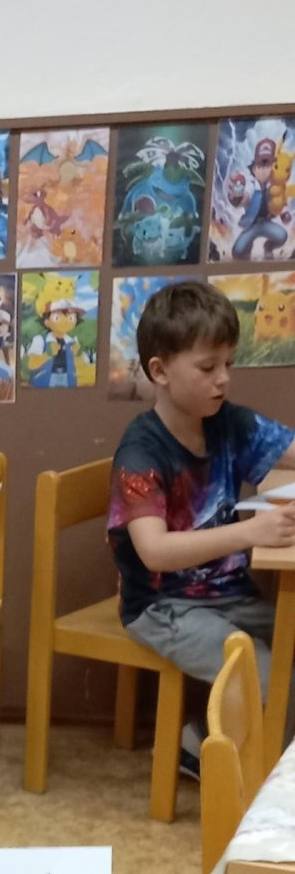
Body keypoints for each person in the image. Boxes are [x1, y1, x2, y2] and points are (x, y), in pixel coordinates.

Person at [107, 280, 295, 773]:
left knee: (287, 651)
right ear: (160, 371)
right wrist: (250, 533)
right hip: (161, 606)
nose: (224, 379)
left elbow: (289, 449)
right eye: (208, 367)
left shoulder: (227, 423)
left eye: (229, 364)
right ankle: (230, 769)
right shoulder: (141, 451)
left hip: (228, 595)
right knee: (263, 674)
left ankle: (212, 746)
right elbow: (154, 551)